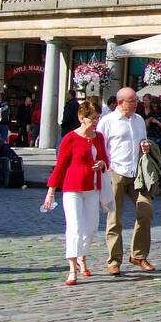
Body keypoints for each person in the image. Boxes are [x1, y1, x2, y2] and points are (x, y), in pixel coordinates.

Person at [44, 101, 109, 286]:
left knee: (91, 228)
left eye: (98, 117)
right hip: (72, 188)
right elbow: (60, 166)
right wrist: (51, 191)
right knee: (75, 228)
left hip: (92, 188)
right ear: (82, 118)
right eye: (92, 118)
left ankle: (82, 255)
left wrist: (102, 164)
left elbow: (105, 159)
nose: (95, 121)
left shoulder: (99, 137)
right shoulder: (70, 138)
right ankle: (72, 268)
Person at [97, 87, 156, 275]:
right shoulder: (107, 122)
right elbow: (99, 148)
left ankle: (138, 255)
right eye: (133, 100)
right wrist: (105, 169)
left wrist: (145, 146)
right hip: (115, 172)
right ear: (121, 102)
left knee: (146, 210)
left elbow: (142, 142)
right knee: (115, 219)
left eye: (136, 100)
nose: (137, 103)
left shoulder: (139, 120)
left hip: (137, 173)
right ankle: (114, 260)